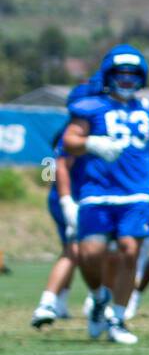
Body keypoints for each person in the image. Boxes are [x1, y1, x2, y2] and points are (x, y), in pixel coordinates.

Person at [63, 45, 149, 344]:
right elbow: (69, 140)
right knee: (91, 253)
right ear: (109, 75)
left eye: (133, 75)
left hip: (137, 192)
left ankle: (118, 319)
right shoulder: (91, 107)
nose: (127, 80)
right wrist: (91, 143)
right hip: (98, 191)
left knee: (130, 250)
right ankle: (98, 298)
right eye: (121, 74)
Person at [30, 78, 101, 329]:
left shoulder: (63, 130)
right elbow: (59, 165)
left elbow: (49, 166)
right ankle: (53, 302)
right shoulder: (80, 132)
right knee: (76, 251)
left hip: (60, 196)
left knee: (70, 250)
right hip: (74, 197)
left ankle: (59, 302)